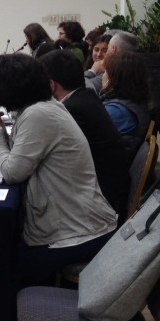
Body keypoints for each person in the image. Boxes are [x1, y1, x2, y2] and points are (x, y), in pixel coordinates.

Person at [0, 54, 117, 286]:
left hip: (77, 234)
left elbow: (12, 172)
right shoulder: (44, 107)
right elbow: (19, 156)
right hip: (79, 224)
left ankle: (24, 308)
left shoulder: (38, 114)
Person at [40, 49, 131, 219]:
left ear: (52, 85)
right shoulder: (86, 97)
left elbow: (40, 153)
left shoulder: (72, 110)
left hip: (95, 203)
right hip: (103, 189)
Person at [100, 49, 151, 159]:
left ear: (113, 78)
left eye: (105, 72)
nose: (103, 76)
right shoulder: (134, 102)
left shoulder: (117, 112)